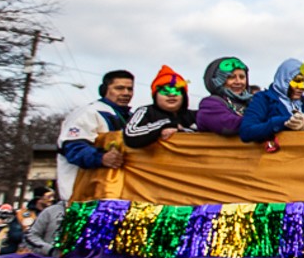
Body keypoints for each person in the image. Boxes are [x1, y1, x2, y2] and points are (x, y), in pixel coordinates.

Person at [56, 70, 134, 203]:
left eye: (130, 89)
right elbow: (73, 148)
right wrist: (101, 157)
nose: (126, 93)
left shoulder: (133, 118)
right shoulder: (89, 113)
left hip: (118, 198)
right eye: (119, 88)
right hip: (84, 200)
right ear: (104, 89)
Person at [239, 59, 304, 144]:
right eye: (298, 81)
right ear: (284, 79)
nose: (302, 87)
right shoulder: (263, 99)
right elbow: (246, 132)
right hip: (273, 155)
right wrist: (284, 122)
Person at [124, 66, 198, 148]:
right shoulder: (145, 111)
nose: (171, 95)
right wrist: (163, 126)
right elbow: (130, 134)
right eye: (164, 91)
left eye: (177, 91)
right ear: (155, 95)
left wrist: (180, 130)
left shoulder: (196, 115)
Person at [196, 57, 256, 135]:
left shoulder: (253, 102)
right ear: (217, 80)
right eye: (231, 77)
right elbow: (229, 126)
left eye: (242, 77)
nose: (238, 82)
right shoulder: (209, 104)